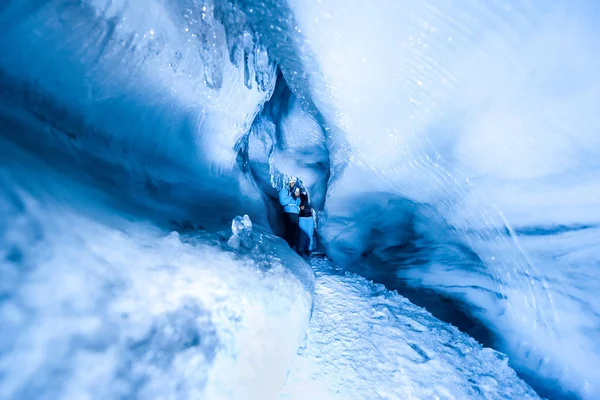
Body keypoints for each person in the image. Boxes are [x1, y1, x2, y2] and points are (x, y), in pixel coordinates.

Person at [278, 176, 301, 248]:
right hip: (288, 213)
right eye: (292, 182)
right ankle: (288, 247)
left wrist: (297, 197)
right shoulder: (284, 191)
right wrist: (292, 197)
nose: (293, 184)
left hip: (295, 213)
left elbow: (298, 203)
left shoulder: (293, 192)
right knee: (289, 230)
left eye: (294, 183)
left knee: (295, 231)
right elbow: (283, 202)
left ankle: (293, 247)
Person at [297, 190, 315, 255]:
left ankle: (308, 249)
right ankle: (300, 249)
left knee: (310, 234)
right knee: (303, 234)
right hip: (302, 217)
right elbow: (295, 205)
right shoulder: (299, 197)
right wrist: (299, 207)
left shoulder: (312, 196)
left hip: (310, 217)